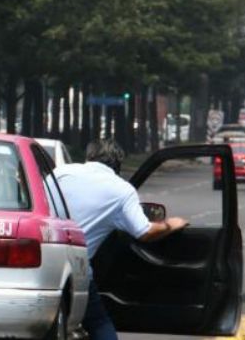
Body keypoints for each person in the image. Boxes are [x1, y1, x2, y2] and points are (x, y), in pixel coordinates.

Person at [54, 139, 189, 340]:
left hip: (41, 262)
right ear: (117, 164)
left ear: (89, 156)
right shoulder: (121, 190)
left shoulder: (60, 173)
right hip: (76, 270)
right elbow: (144, 231)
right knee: (99, 323)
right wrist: (172, 224)